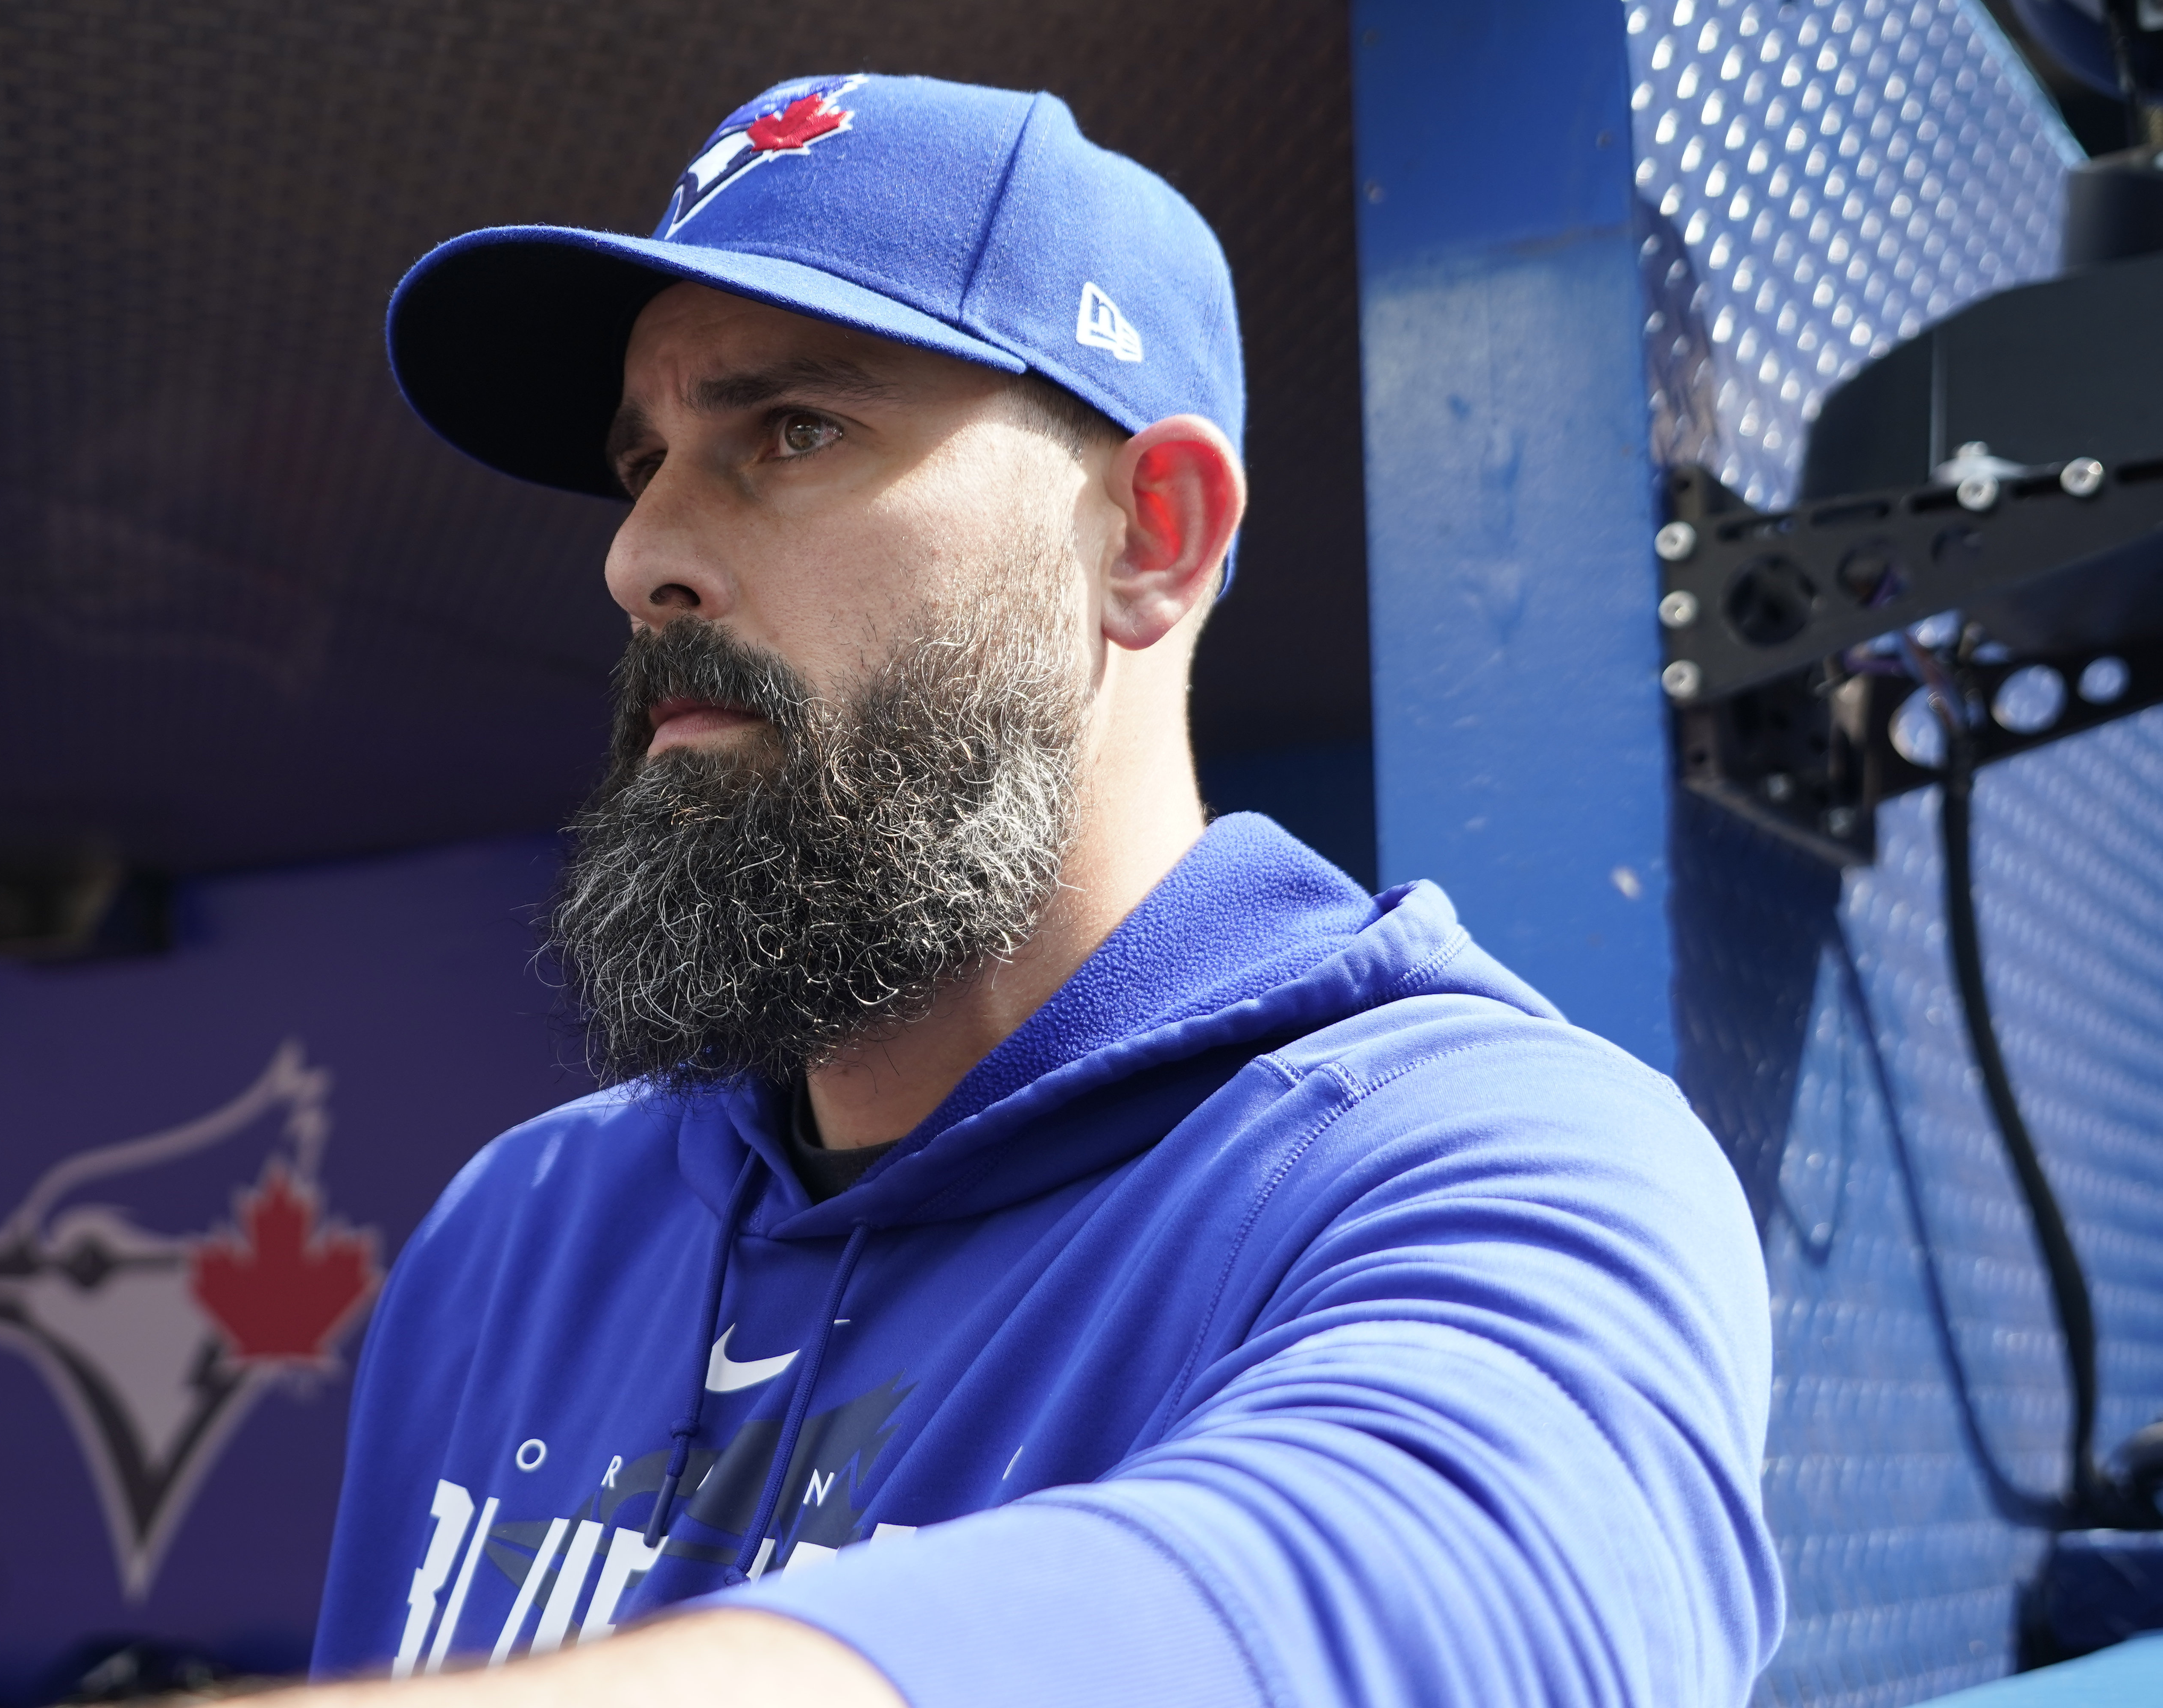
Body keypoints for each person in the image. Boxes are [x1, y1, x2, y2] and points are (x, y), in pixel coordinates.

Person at [304, 73, 1781, 1706]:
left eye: (793, 429)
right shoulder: (523, 1228)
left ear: (1152, 534)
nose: (638, 550)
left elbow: (1469, 1598)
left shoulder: (1464, 1155)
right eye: (643, 457)